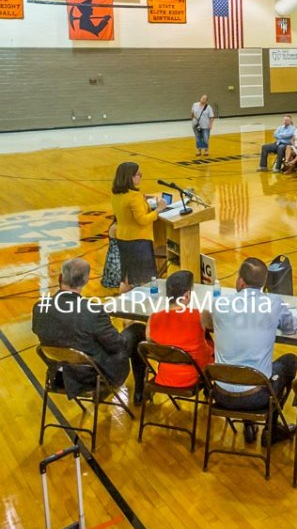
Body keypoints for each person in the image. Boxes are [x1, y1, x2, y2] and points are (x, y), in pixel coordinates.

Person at [206, 258, 297, 446]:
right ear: (264, 284)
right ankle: (271, 429)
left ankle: (249, 425)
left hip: (220, 392)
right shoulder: (274, 303)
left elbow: (207, 322)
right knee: (290, 361)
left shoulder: (219, 303)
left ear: (240, 282)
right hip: (256, 395)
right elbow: (291, 328)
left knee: (240, 362)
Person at [32, 258, 147, 404]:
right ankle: (139, 392)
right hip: (92, 376)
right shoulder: (93, 311)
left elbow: (41, 332)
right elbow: (116, 345)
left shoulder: (39, 307)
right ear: (85, 281)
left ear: (60, 278)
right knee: (136, 331)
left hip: (59, 374)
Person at [146, 270, 213, 388]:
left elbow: (151, 344)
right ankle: (212, 390)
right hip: (195, 376)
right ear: (187, 295)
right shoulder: (200, 315)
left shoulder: (153, 318)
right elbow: (217, 327)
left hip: (165, 376)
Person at [110, 162, 165, 289]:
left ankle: (123, 306)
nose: (140, 176)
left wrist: (143, 202)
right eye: (138, 174)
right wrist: (158, 209)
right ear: (130, 177)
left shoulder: (116, 194)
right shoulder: (134, 197)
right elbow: (143, 220)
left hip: (123, 239)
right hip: (138, 242)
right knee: (144, 280)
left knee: (127, 279)